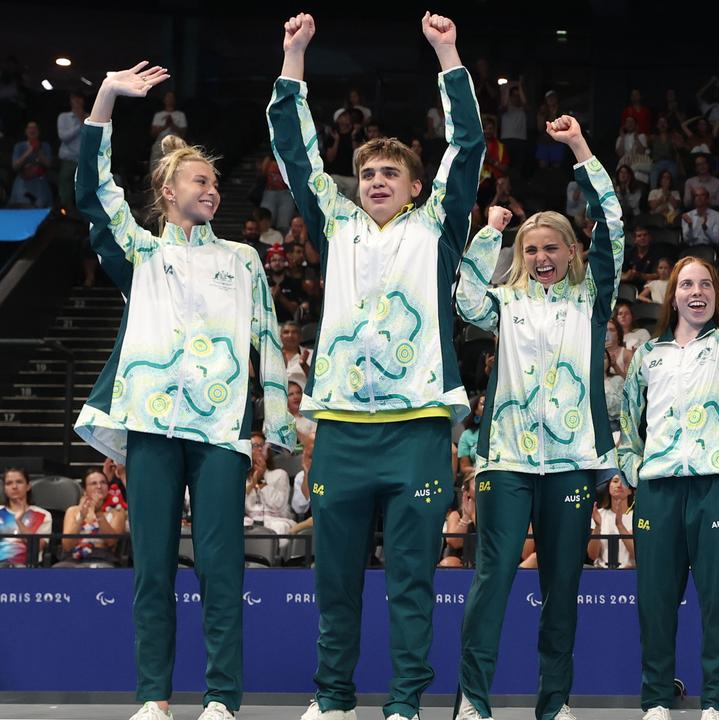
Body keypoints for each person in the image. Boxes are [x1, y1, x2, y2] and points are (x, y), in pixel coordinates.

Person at [268, 12, 483, 720]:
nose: (377, 179)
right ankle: (331, 698)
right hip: (342, 430)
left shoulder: (438, 229)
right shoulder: (335, 227)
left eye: (391, 172)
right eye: (366, 172)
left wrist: (447, 52)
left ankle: (403, 703)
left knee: (412, 581)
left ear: (416, 186)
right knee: (334, 579)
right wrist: (294, 58)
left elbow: (469, 142)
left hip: (418, 428)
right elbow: (298, 155)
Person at [75, 60, 293, 720]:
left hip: (220, 434)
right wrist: (106, 100)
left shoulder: (243, 260)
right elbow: (92, 191)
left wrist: (273, 422)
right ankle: (154, 698)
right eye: (202, 179)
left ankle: (222, 698)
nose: (215, 189)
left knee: (221, 572)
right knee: (153, 573)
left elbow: (270, 341)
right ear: (168, 190)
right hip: (150, 428)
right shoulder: (141, 255)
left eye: (217, 181)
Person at [454, 113, 623, 720]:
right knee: (492, 582)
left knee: (562, 591)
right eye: (531, 249)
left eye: (552, 247)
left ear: (573, 251)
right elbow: (464, 296)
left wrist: (580, 146)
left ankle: (555, 703)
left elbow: (616, 226)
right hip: (506, 459)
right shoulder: (505, 302)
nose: (542, 256)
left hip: (572, 464)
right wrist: (487, 234)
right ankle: (472, 700)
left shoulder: (590, 302)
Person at [616, 198, 719, 720]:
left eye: (706, 284)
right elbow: (624, 418)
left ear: (716, 295)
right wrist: (631, 467)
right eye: (686, 284)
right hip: (659, 490)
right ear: (671, 294)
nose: (696, 292)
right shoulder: (648, 354)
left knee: (718, 605)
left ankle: (717, 703)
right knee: (655, 604)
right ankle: (657, 699)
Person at [0, 467, 52, 567]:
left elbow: (37, 548)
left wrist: (19, 522)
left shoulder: (43, 515)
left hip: (27, 567)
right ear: (5, 489)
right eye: (9, 483)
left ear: (28, 486)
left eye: (19, 482)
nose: (14, 487)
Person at [587, 474, 635, 569]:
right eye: (615, 481)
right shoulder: (598, 515)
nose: (619, 485)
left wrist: (619, 525)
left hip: (630, 574)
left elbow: (637, 554)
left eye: (624, 482)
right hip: (601, 574)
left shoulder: (636, 516)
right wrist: (597, 526)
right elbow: (592, 556)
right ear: (609, 487)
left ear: (630, 490)